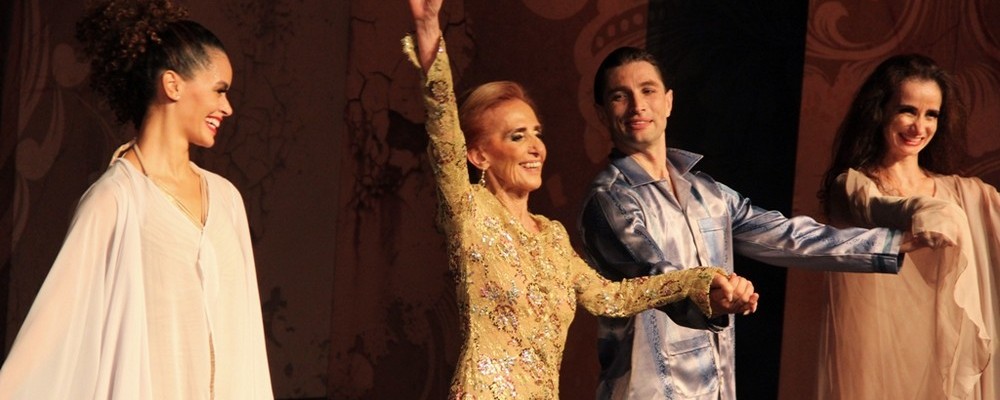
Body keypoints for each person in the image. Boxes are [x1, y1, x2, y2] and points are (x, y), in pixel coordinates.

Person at [404, 1, 758, 398]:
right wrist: (429, 31)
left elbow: (614, 298)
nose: (536, 147)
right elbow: (443, 134)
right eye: (517, 136)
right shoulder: (468, 209)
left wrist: (701, 280)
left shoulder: (552, 237)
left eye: (537, 133)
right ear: (478, 155)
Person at [579, 46, 943, 399]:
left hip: (715, 386)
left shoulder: (706, 192)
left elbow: (785, 236)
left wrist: (890, 243)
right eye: (619, 96)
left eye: (648, 91)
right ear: (602, 113)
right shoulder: (609, 200)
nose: (638, 106)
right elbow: (654, 275)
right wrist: (712, 292)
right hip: (647, 388)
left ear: (669, 101)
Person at [0, 1, 273, 398]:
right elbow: (48, 336)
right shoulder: (115, 200)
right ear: (172, 85)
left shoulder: (227, 200)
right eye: (219, 90)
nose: (227, 107)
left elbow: (247, 344)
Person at [817, 53, 996, 400]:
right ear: (880, 111)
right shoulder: (853, 187)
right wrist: (926, 211)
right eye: (907, 111)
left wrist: (941, 211)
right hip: (876, 354)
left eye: (931, 115)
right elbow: (883, 209)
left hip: (938, 348)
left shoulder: (964, 194)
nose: (919, 127)